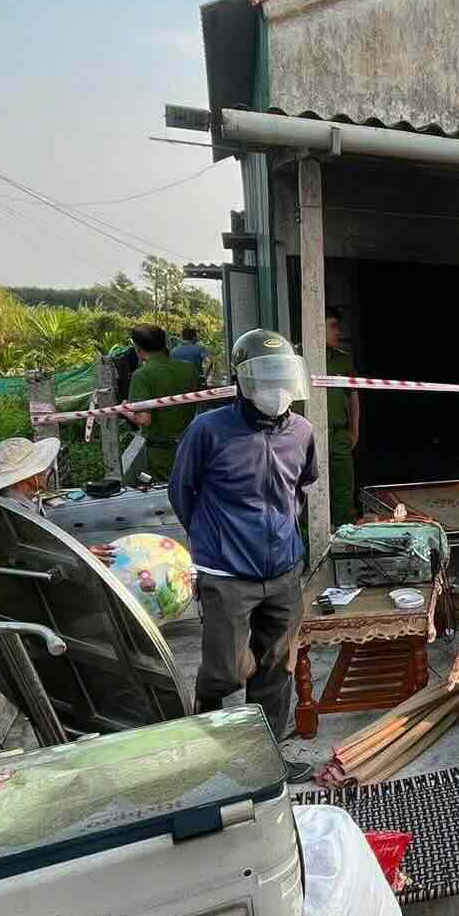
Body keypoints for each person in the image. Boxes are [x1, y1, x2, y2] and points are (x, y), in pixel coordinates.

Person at [169, 328, 319, 781]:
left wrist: (288, 546)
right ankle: (210, 747)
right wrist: (213, 543)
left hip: (283, 571)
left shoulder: (302, 431)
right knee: (227, 669)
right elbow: (182, 492)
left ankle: (266, 761)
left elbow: (301, 488)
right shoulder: (208, 431)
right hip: (226, 572)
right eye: (264, 378)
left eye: (282, 378)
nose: (275, 390)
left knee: (276, 666)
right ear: (241, 381)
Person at [124, 324, 202, 482]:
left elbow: (144, 419)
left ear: (137, 347)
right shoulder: (189, 369)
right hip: (191, 444)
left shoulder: (142, 375)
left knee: (169, 493)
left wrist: (126, 411)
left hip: (162, 453)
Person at [323, 308, 361, 526]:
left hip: (340, 434)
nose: (338, 331)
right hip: (311, 435)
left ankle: (344, 533)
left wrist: (354, 430)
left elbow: (354, 396)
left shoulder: (343, 360)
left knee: (344, 489)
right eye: (333, 326)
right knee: (310, 487)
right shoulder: (300, 356)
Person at [0, 436, 63, 513]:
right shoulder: (18, 511)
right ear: (28, 476)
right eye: (40, 468)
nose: (45, 471)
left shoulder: (4, 501)